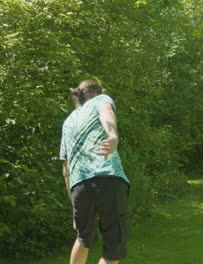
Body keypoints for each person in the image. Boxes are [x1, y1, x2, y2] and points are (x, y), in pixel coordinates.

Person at [60, 80, 130, 264]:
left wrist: (74, 207)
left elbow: (66, 169)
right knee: (113, 245)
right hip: (107, 178)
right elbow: (106, 111)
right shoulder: (102, 99)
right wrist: (113, 136)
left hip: (79, 186)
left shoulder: (68, 121)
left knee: (84, 238)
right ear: (99, 92)